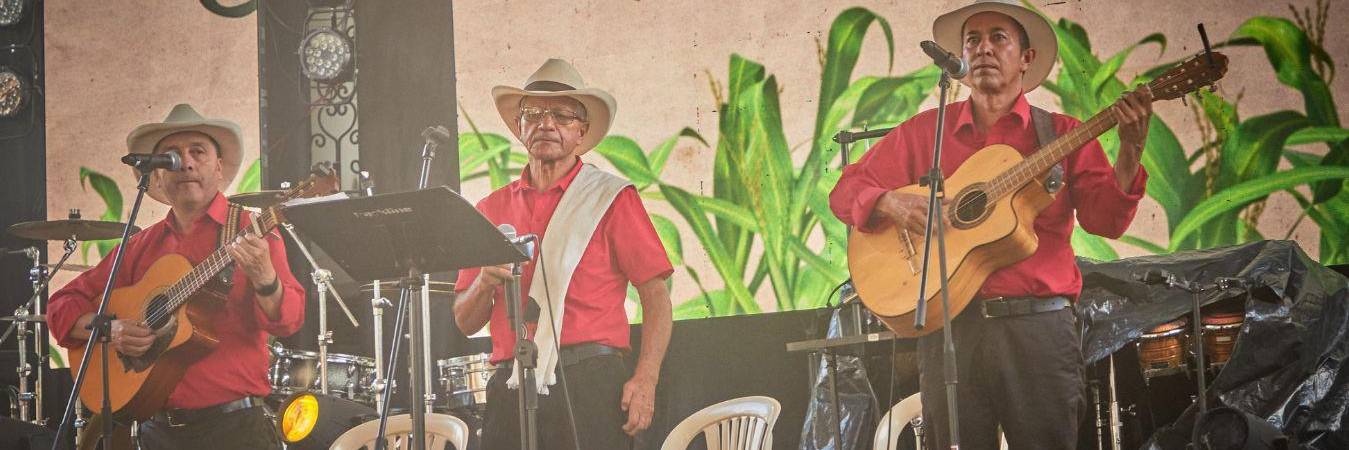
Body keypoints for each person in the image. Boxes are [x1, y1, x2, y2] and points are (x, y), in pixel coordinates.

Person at [829, 1, 1154, 447]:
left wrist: (1131, 151)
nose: (983, 48)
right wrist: (890, 203)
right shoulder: (928, 133)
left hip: (1039, 333)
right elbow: (845, 191)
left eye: (998, 37)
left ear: (1026, 58)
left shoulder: (1061, 133)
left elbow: (1108, 221)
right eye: (972, 40)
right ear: (960, 60)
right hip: (952, 331)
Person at [47, 104, 305, 449]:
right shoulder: (140, 245)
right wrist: (112, 328)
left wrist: (265, 279)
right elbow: (61, 304)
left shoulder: (251, 231)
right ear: (156, 177)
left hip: (236, 431)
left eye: (197, 152)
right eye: (171, 156)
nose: (185, 163)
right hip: (158, 434)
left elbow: (289, 322)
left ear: (218, 167)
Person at [453, 58, 674, 450]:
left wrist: (646, 379)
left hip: (590, 381)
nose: (546, 123)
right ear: (519, 127)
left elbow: (655, 295)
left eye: (562, 115)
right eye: (533, 113)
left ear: (581, 131)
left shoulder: (610, 198)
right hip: (510, 384)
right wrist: (485, 280)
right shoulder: (490, 209)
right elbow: (465, 322)